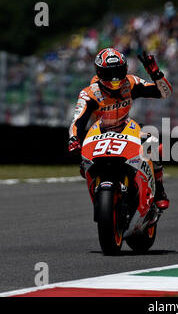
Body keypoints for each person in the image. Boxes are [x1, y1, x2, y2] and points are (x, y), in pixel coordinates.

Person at [68, 48, 172, 210]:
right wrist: (74, 139)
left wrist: (156, 73)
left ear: (125, 70)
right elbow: (78, 120)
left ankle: (159, 190)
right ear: (99, 72)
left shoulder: (131, 83)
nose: (115, 79)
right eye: (109, 73)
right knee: (84, 167)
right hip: (99, 133)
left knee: (152, 144)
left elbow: (165, 93)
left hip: (126, 128)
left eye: (118, 72)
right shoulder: (89, 94)